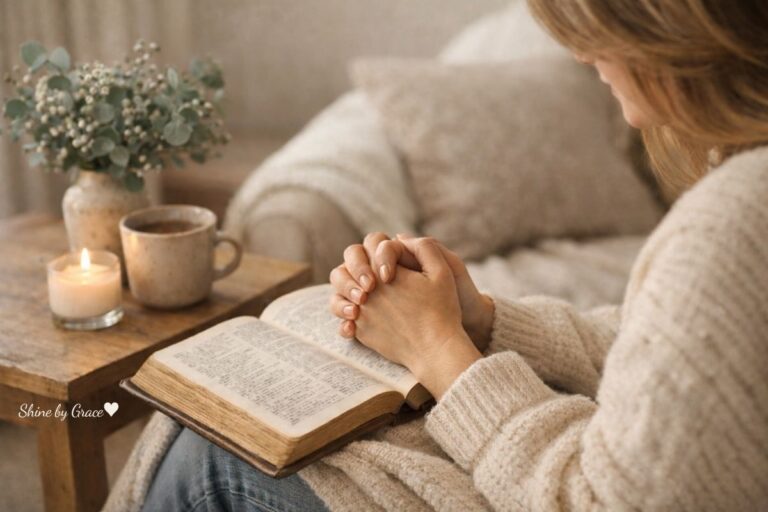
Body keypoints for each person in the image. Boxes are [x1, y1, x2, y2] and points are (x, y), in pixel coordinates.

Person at [143, 1, 768, 510]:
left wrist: (438, 352)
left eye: (592, 29)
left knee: (211, 462)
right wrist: (484, 322)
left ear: (667, 24)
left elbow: (598, 499)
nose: (581, 54)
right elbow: (668, 357)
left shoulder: (730, 221)